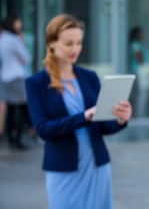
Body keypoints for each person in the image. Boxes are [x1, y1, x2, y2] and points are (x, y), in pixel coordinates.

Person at [25, 14, 132, 209]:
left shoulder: (89, 77)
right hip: (63, 170)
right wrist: (83, 117)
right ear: (51, 43)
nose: (75, 49)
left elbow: (102, 125)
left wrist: (119, 120)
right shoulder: (36, 83)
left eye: (79, 43)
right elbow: (43, 130)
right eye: (68, 43)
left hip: (97, 167)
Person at [0, 13, 32, 149]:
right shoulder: (15, 39)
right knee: (22, 109)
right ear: (13, 23)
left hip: (5, 77)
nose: (20, 24)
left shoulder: (2, 38)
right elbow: (26, 57)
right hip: (17, 77)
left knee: (11, 110)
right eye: (18, 22)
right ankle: (17, 139)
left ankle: (9, 137)